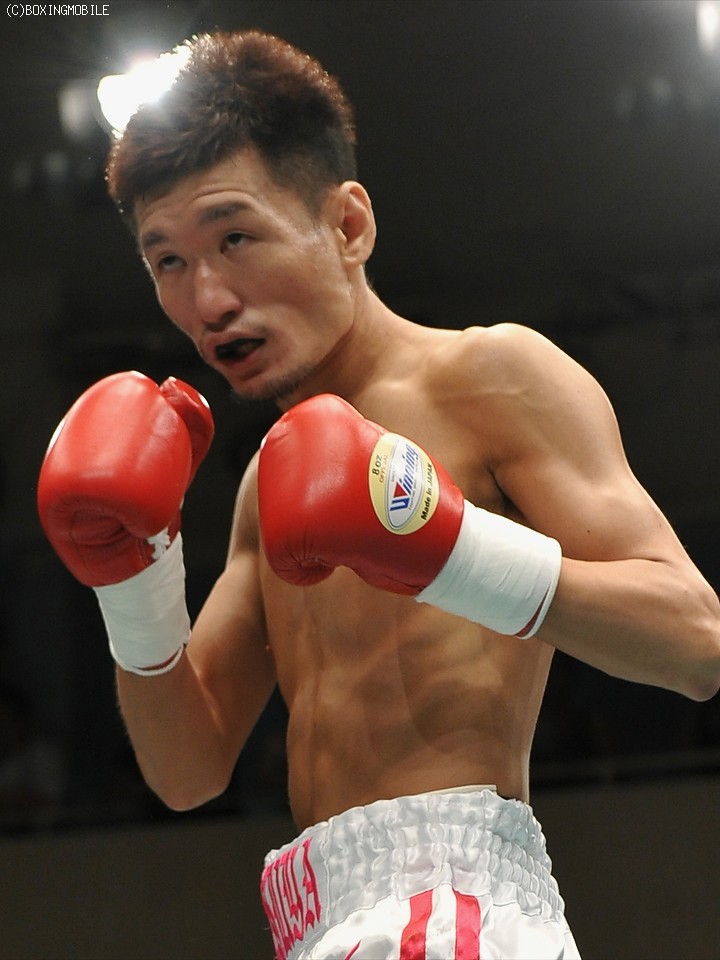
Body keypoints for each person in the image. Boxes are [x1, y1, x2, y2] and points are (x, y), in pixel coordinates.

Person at [37, 30, 720, 960]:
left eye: (235, 237)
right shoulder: (264, 484)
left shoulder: (489, 379)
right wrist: (132, 585)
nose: (209, 300)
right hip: (317, 915)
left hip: (453, 900)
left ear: (348, 227)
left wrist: (449, 551)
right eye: (168, 262)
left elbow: (696, 641)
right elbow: (187, 769)